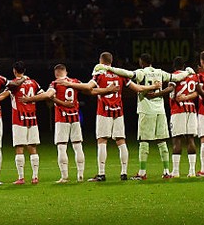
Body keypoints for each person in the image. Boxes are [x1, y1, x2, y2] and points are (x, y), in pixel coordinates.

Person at [106, 53, 191, 180]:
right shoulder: (160, 72)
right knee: (162, 141)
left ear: (141, 62)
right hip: (160, 111)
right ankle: (166, 171)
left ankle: (142, 172)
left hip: (146, 110)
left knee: (144, 141)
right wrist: (188, 72)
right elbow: (177, 78)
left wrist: (109, 68)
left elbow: (127, 74)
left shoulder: (141, 72)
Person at [28, 63, 87, 184]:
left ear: (56, 73)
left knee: (62, 147)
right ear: (66, 71)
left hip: (62, 118)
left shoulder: (55, 83)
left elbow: (48, 95)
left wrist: (30, 99)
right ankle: (80, 175)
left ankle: (64, 177)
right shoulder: (74, 81)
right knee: (77, 146)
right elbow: (87, 88)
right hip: (75, 118)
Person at [0, 61, 41, 184]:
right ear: (24, 70)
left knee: (19, 148)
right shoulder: (33, 83)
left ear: (14, 70)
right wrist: (31, 99)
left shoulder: (14, 84)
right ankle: (35, 177)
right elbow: (43, 95)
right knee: (33, 148)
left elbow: (3, 95)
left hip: (19, 119)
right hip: (32, 119)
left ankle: (21, 178)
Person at [85, 52, 130, 181]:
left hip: (104, 111)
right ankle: (124, 173)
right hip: (118, 112)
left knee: (102, 140)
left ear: (101, 61)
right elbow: (135, 87)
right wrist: (152, 87)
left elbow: (90, 89)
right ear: (111, 61)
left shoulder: (99, 74)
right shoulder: (121, 74)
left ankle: (101, 173)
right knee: (121, 141)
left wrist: (105, 90)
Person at [167, 56, 198, 178]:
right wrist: (187, 97)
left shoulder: (174, 77)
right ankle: (192, 171)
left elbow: (171, 95)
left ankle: (175, 171)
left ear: (174, 66)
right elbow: (197, 92)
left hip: (178, 110)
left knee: (177, 139)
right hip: (191, 109)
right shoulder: (192, 76)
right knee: (190, 139)